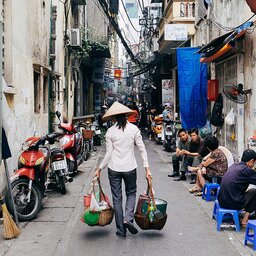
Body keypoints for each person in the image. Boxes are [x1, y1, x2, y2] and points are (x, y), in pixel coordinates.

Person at [94, 101, 152, 237]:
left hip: (114, 168)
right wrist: (147, 168)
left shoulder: (110, 131)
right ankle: (128, 219)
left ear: (113, 117)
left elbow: (108, 153)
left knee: (117, 198)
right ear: (126, 115)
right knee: (131, 193)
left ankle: (121, 229)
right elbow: (142, 149)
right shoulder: (134, 129)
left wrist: (100, 168)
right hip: (130, 168)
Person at [218, 149, 256, 227]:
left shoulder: (234, 166)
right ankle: (245, 220)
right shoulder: (246, 170)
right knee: (254, 192)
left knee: (250, 192)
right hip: (233, 202)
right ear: (251, 161)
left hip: (221, 201)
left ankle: (245, 215)